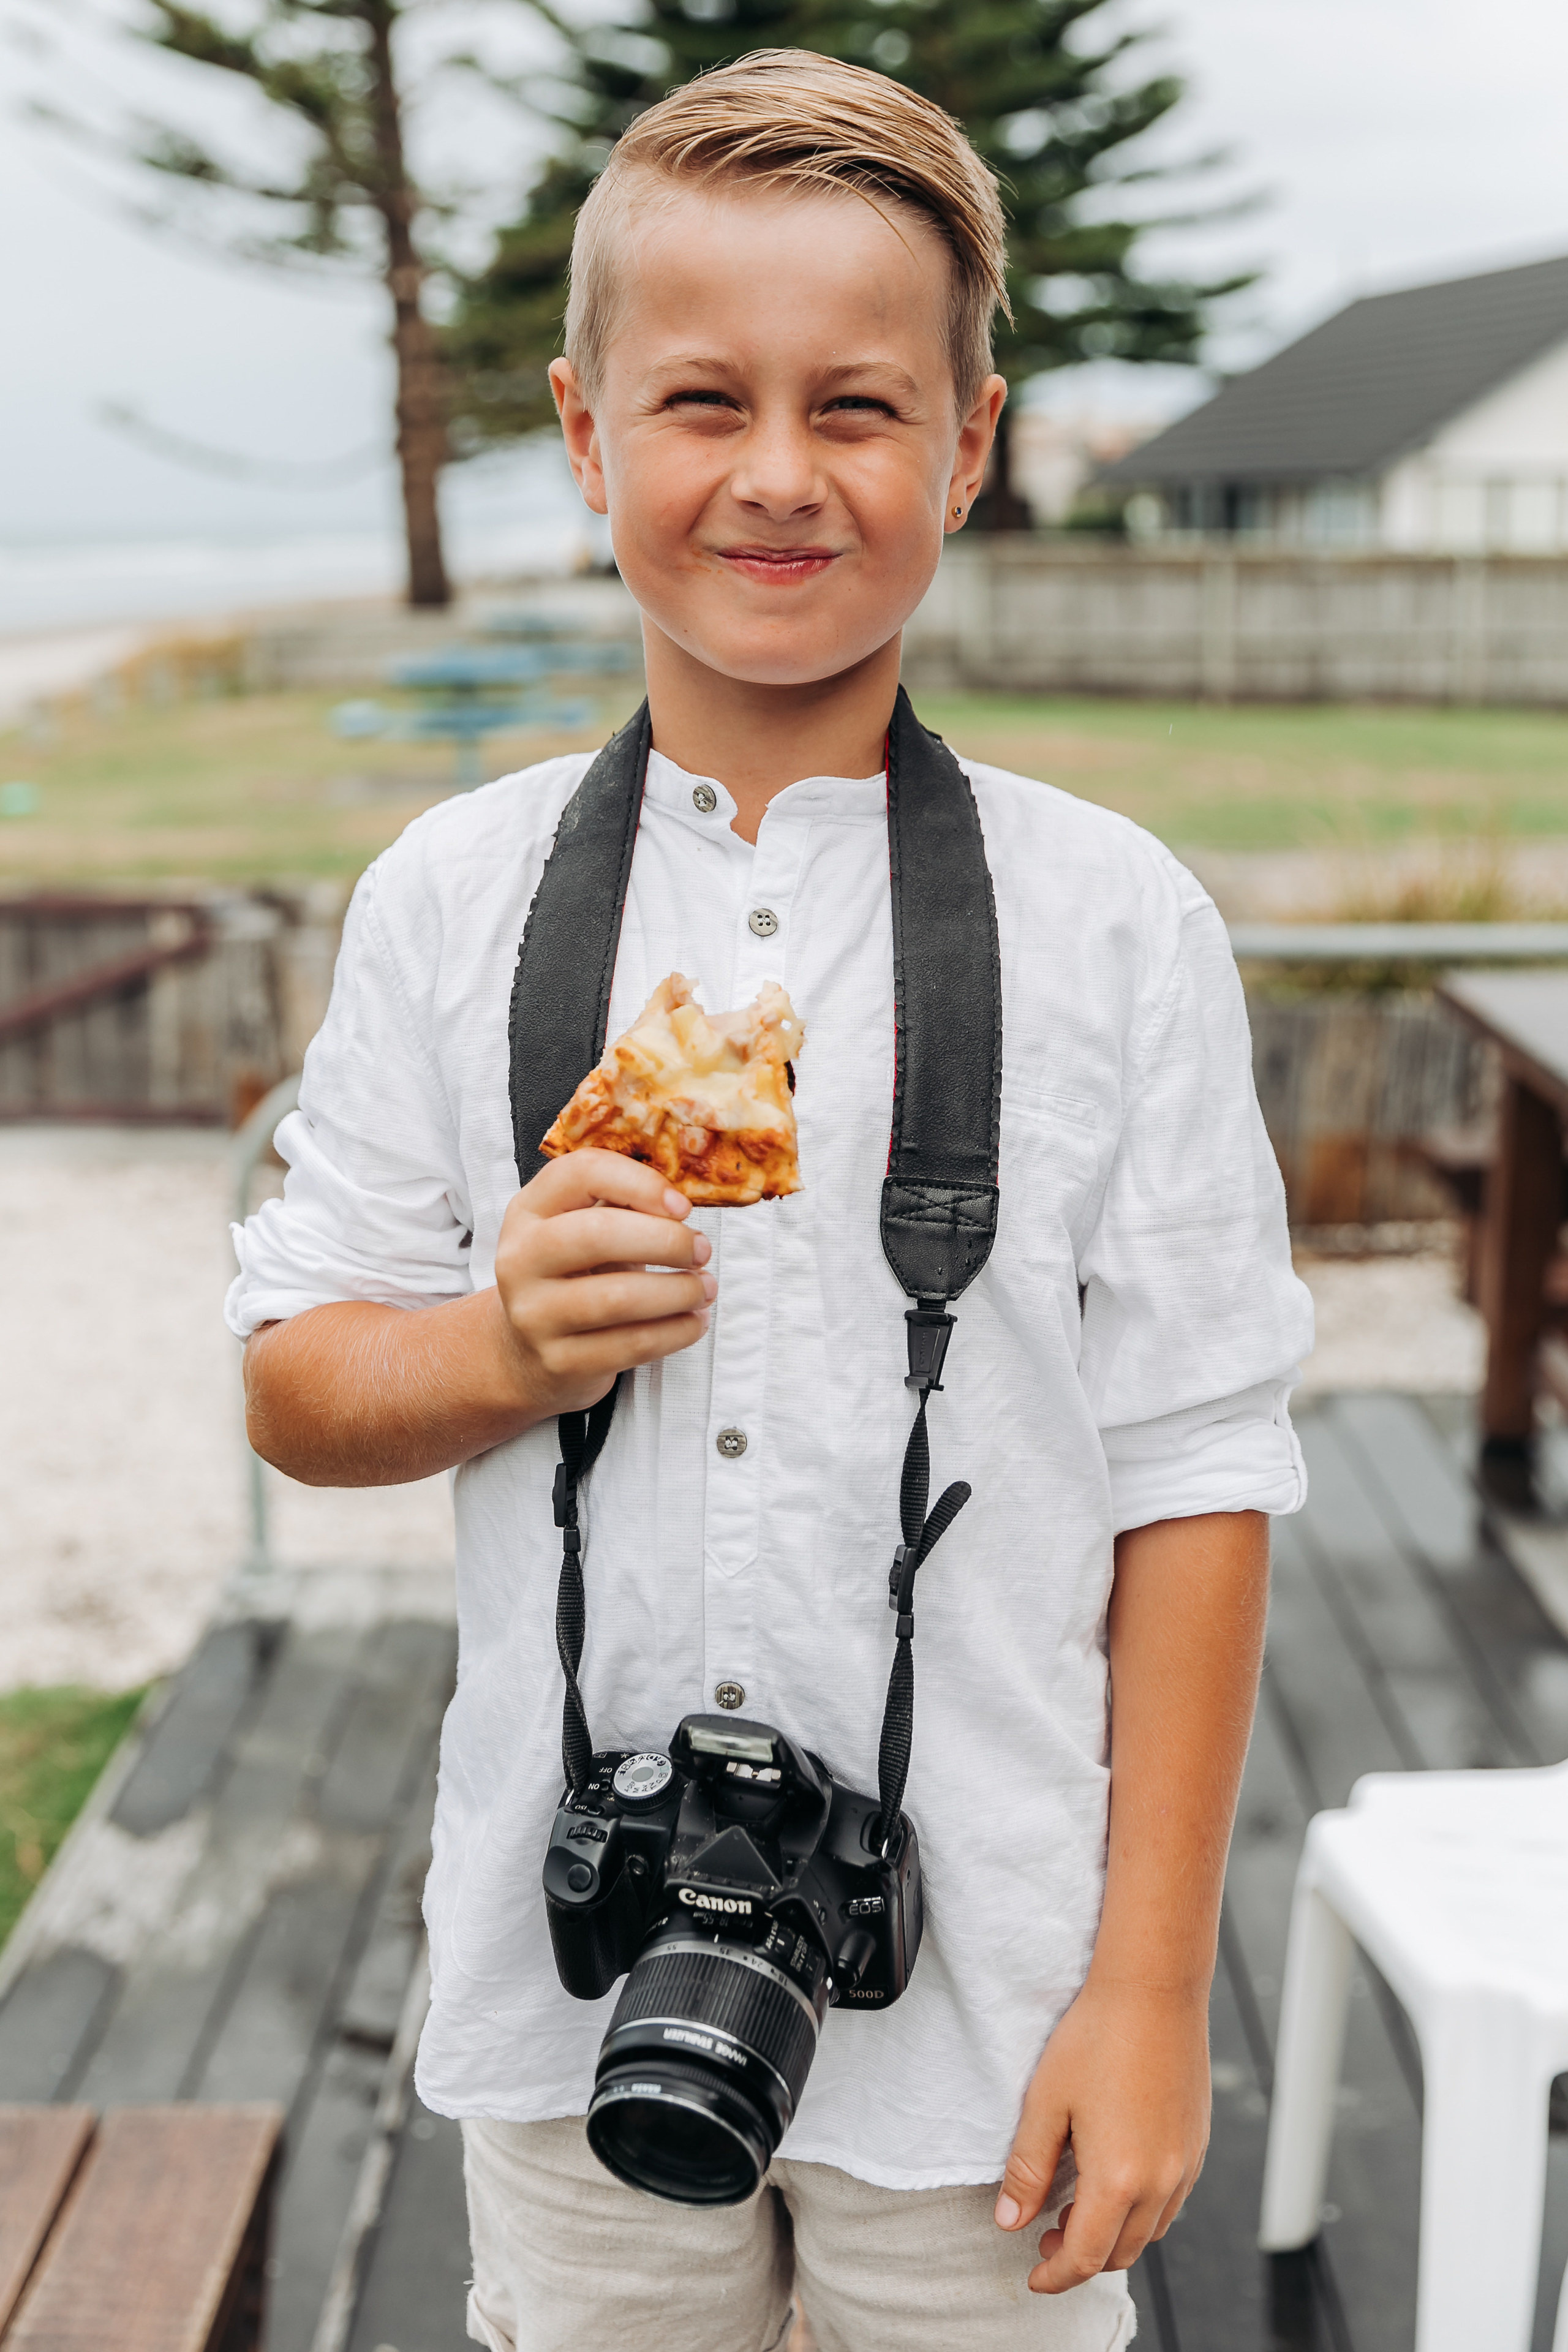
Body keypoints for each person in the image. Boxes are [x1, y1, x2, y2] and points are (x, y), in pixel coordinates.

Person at [229, 49, 1313, 2352]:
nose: (782, 475)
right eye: (705, 401)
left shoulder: (1118, 926)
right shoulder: (455, 899)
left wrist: (1148, 1993)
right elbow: (304, 1385)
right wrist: (498, 1346)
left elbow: (1199, 1465)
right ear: (589, 432)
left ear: (973, 446)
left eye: (863, 406)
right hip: (570, 1966)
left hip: (995, 1991)